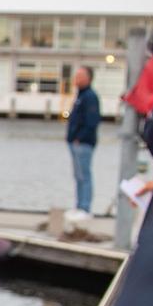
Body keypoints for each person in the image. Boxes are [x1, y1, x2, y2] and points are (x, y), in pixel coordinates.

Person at [66, 65, 100, 215]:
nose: (76, 78)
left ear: (88, 78)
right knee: (78, 175)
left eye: (80, 75)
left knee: (84, 175)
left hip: (83, 143)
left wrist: (79, 138)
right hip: (75, 142)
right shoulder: (80, 96)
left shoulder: (90, 96)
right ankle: (79, 205)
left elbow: (92, 121)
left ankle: (85, 207)